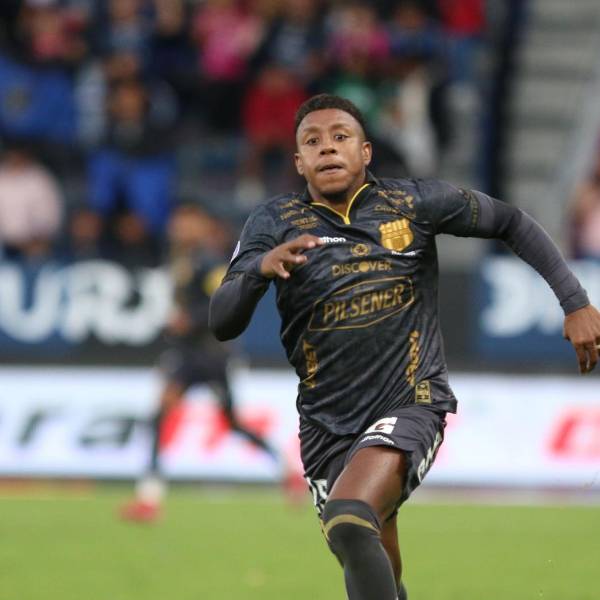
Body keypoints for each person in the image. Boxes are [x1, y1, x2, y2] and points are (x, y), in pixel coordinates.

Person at [208, 94, 600, 600]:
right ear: (299, 161)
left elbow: (511, 222)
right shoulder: (272, 221)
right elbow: (222, 321)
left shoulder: (412, 203)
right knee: (373, 561)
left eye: (341, 137)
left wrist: (574, 301)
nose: (327, 148)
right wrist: (258, 271)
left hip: (411, 402)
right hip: (325, 426)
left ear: (366, 151)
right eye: (312, 141)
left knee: (349, 518)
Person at [121, 204, 277, 522]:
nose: (178, 227)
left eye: (186, 222)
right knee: (159, 415)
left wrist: (187, 321)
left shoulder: (209, 262)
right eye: (177, 222)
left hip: (211, 355)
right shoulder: (181, 260)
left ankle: (284, 466)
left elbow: (221, 302)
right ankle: (149, 497)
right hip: (187, 355)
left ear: (202, 226)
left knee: (232, 424)